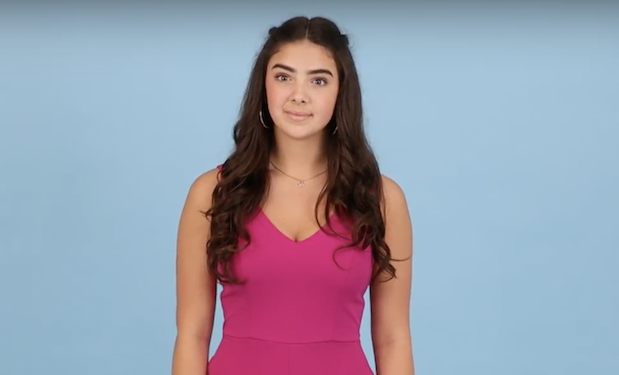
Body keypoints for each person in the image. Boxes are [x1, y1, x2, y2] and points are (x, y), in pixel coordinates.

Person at [171, 15, 414, 375]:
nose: (298, 95)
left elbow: (393, 338)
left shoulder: (381, 199)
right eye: (283, 77)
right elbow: (192, 334)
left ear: (341, 93)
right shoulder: (212, 193)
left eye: (318, 80)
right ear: (263, 86)